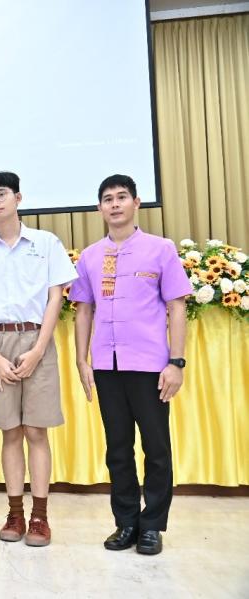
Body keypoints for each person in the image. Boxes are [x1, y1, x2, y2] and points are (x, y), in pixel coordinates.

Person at [70, 174, 192, 556]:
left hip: (150, 366)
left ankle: (152, 525)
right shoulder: (90, 256)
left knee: (156, 447)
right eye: (108, 199)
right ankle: (126, 522)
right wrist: (81, 359)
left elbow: (176, 307)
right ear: (99, 208)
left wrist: (176, 362)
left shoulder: (161, 249)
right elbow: (83, 310)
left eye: (122, 197)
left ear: (136, 203)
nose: (115, 204)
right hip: (107, 366)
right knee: (118, 448)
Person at [0, 172, 77, 547]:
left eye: (1, 194)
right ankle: (15, 513)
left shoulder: (45, 243)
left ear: (18, 198)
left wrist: (39, 349)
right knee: (10, 432)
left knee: (36, 431)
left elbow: (56, 297)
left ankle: (40, 516)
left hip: (37, 340)